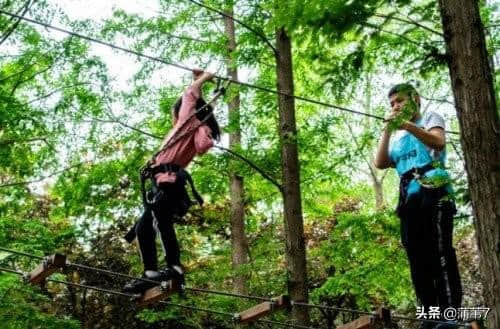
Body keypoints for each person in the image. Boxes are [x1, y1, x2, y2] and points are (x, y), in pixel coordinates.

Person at [123, 69, 220, 293]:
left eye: (176, 110)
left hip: (170, 183)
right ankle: (151, 273)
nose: (173, 114)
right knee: (142, 227)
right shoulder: (189, 128)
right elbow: (204, 140)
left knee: (159, 221)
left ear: (184, 111)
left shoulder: (188, 122)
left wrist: (202, 79)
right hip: (163, 185)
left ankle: (174, 267)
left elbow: (191, 95)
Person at [374, 83, 462, 329]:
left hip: (436, 194)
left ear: (415, 98)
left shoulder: (430, 117)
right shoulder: (400, 139)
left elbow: (438, 142)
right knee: (417, 259)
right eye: (392, 104)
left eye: (400, 101)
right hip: (410, 202)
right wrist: (388, 130)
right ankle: (430, 316)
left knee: (440, 253)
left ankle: (450, 314)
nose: (396, 106)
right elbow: (381, 162)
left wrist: (408, 126)